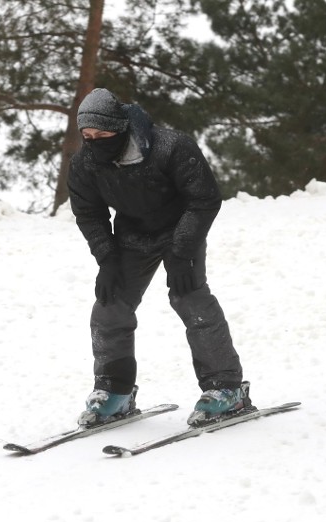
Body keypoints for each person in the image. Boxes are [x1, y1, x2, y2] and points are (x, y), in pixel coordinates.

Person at [67, 88, 251, 427]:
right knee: (109, 307)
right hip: (132, 236)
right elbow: (89, 213)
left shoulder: (170, 147)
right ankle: (115, 391)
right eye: (87, 136)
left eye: (101, 135)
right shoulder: (86, 163)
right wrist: (106, 259)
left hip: (182, 228)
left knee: (190, 298)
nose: (93, 142)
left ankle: (226, 388)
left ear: (119, 127)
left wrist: (182, 252)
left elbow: (204, 199)